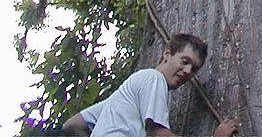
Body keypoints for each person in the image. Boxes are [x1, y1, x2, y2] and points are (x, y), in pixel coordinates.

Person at [62, 33, 237, 137]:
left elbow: (71, 125)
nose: (187, 71)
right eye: (185, 61)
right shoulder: (154, 78)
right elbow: (157, 134)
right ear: (167, 55)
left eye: (193, 69)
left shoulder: (120, 100)